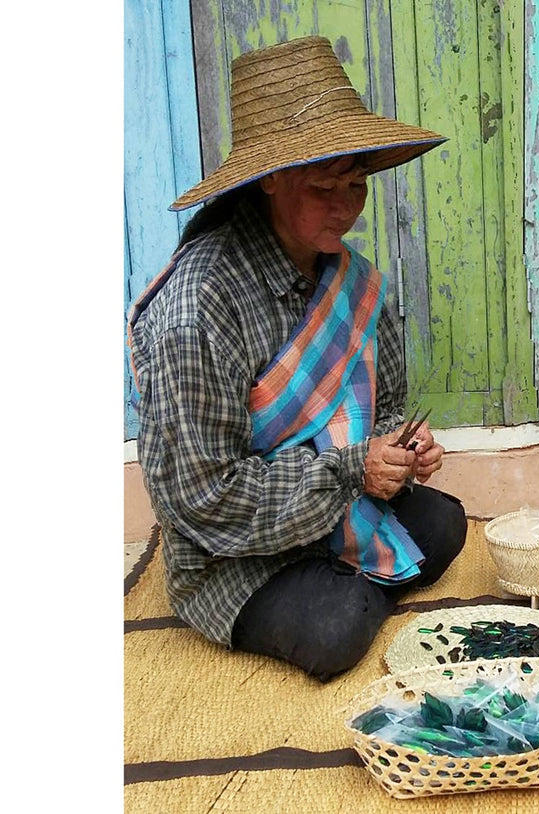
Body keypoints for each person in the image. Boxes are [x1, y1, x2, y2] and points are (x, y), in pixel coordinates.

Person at [126, 37, 467, 682]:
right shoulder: (198, 310)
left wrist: (400, 447)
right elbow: (198, 498)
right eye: (322, 187)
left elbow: (381, 406)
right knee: (336, 627)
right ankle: (343, 584)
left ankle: (343, 575)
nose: (345, 206)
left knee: (447, 525)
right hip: (232, 550)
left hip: (336, 499)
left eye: (357, 185)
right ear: (270, 181)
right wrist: (347, 475)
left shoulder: (352, 280)